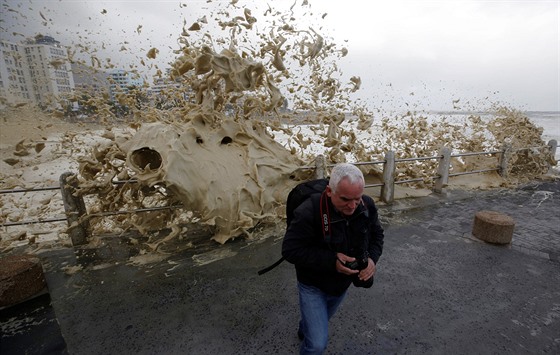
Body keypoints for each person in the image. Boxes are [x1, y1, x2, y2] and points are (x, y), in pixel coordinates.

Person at [282, 163, 385, 354]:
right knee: (316, 345)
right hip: (312, 285)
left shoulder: (366, 205)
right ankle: (308, 331)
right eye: (346, 199)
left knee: (315, 326)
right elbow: (290, 250)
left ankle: (305, 328)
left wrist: (372, 259)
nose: (353, 206)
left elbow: (377, 236)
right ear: (329, 191)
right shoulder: (309, 211)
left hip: (341, 285)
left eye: (357, 198)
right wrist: (332, 261)